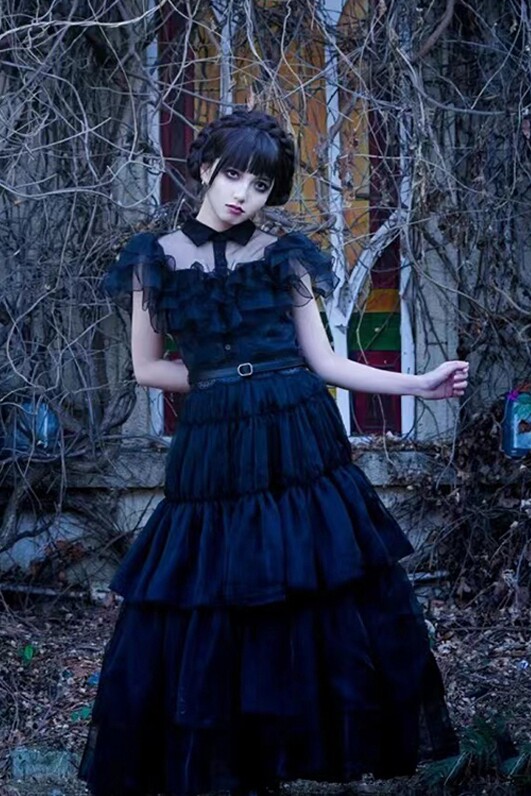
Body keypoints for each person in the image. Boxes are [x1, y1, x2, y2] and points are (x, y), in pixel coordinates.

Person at [78, 109, 467, 796]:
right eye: (233, 175)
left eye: (260, 185)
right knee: (214, 591)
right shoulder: (153, 259)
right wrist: (222, 380)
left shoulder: (285, 257)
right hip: (214, 441)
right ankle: (233, 762)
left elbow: (325, 360)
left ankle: (296, 750)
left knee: (307, 585)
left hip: (296, 435)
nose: (243, 194)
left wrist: (418, 383)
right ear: (205, 168)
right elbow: (146, 368)